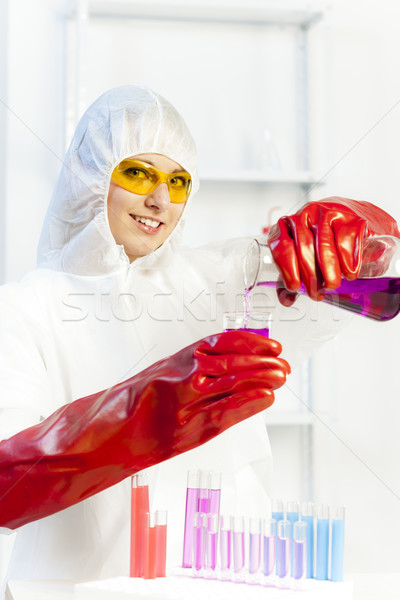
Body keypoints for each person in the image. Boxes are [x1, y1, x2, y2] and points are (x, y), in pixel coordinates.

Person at [0, 85, 398, 591]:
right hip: (87, 588)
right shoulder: (24, 309)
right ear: (92, 176)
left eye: (178, 181)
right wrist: (145, 412)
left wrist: (358, 220)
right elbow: (4, 483)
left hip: (223, 584)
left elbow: (374, 269)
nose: (159, 200)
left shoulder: (223, 277)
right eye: (138, 173)